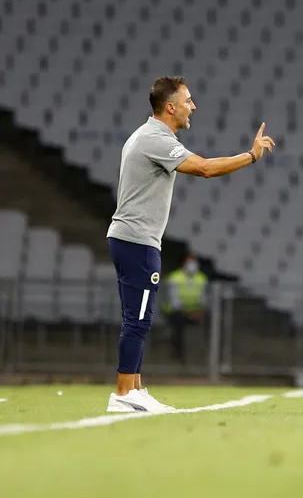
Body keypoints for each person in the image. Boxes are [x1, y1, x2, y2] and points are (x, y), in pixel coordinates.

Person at [105, 76, 275, 412]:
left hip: (131, 238)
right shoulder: (155, 139)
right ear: (170, 107)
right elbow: (205, 169)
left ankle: (134, 388)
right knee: (137, 319)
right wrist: (251, 156)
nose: (193, 106)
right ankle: (124, 393)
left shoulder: (145, 135)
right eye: (188, 101)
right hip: (137, 240)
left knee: (137, 317)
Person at [163, 254, 209, 362]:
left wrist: (200, 312)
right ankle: (177, 354)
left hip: (196, 312)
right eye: (189, 262)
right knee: (178, 321)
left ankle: (209, 353)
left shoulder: (201, 278)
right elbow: (174, 302)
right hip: (176, 312)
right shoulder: (175, 277)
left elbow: (204, 299)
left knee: (212, 319)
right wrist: (189, 314)